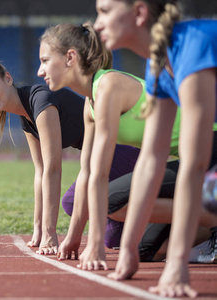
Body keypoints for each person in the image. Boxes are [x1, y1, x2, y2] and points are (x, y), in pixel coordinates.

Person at [94, 0, 217, 297]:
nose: (97, 24)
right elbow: (152, 157)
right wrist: (129, 249)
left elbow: (194, 164)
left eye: (105, 11)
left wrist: (176, 265)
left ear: (139, 12)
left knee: (211, 191)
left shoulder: (195, 44)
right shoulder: (158, 63)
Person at [0, 58, 141, 255]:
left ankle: (164, 211)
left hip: (122, 149)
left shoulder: (41, 101)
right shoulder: (25, 115)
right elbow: (39, 171)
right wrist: (38, 229)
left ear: (7, 79)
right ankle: (161, 227)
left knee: (73, 202)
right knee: (114, 239)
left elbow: (53, 169)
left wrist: (50, 233)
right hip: (104, 156)